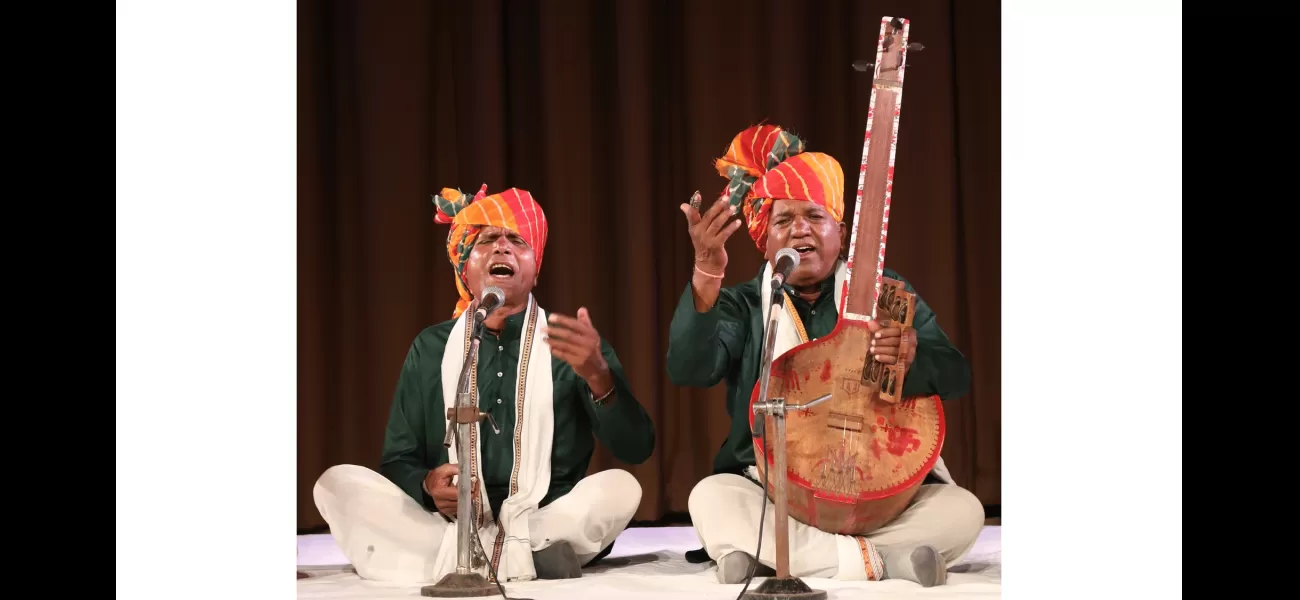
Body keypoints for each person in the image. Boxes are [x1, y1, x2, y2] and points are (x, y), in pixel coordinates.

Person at [667, 124, 984, 587]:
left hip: (878, 497)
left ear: (840, 229)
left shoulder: (884, 296)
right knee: (711, 496)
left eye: (815, 217)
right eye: (783, 220)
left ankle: (772, 555)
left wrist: (914, 358)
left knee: (963, 511)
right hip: (772, 491)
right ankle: (883, 563)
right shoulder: (743, 304)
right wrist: (705, 278)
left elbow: (956, 375)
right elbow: (688, 369)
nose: (800, 230)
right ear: (765, 237)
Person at [313, 184, 657, 584]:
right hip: (444, 523)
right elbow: (397, 460)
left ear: (535, 267)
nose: (502, 247)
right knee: (336, 485)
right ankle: (529, 559)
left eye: (517, 240)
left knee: (620, 488)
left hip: (546, 515)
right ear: (466, 266)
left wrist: (598, 375)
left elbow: (637, 447)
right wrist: (426, 485)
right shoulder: (431, 347)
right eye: (488, 239)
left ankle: (451, 561)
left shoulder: (571, 344)